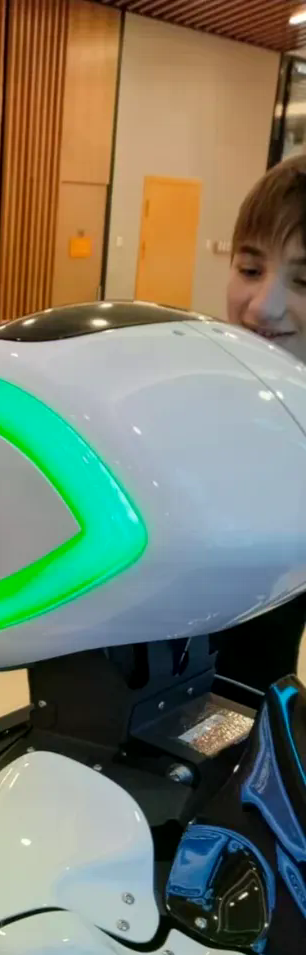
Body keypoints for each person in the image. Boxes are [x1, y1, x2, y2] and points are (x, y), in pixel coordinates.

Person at [220, 152, 306, 692]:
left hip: (253, 715)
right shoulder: (192, 395)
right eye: (250, 270)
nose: (262, 307)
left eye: (304, 280)